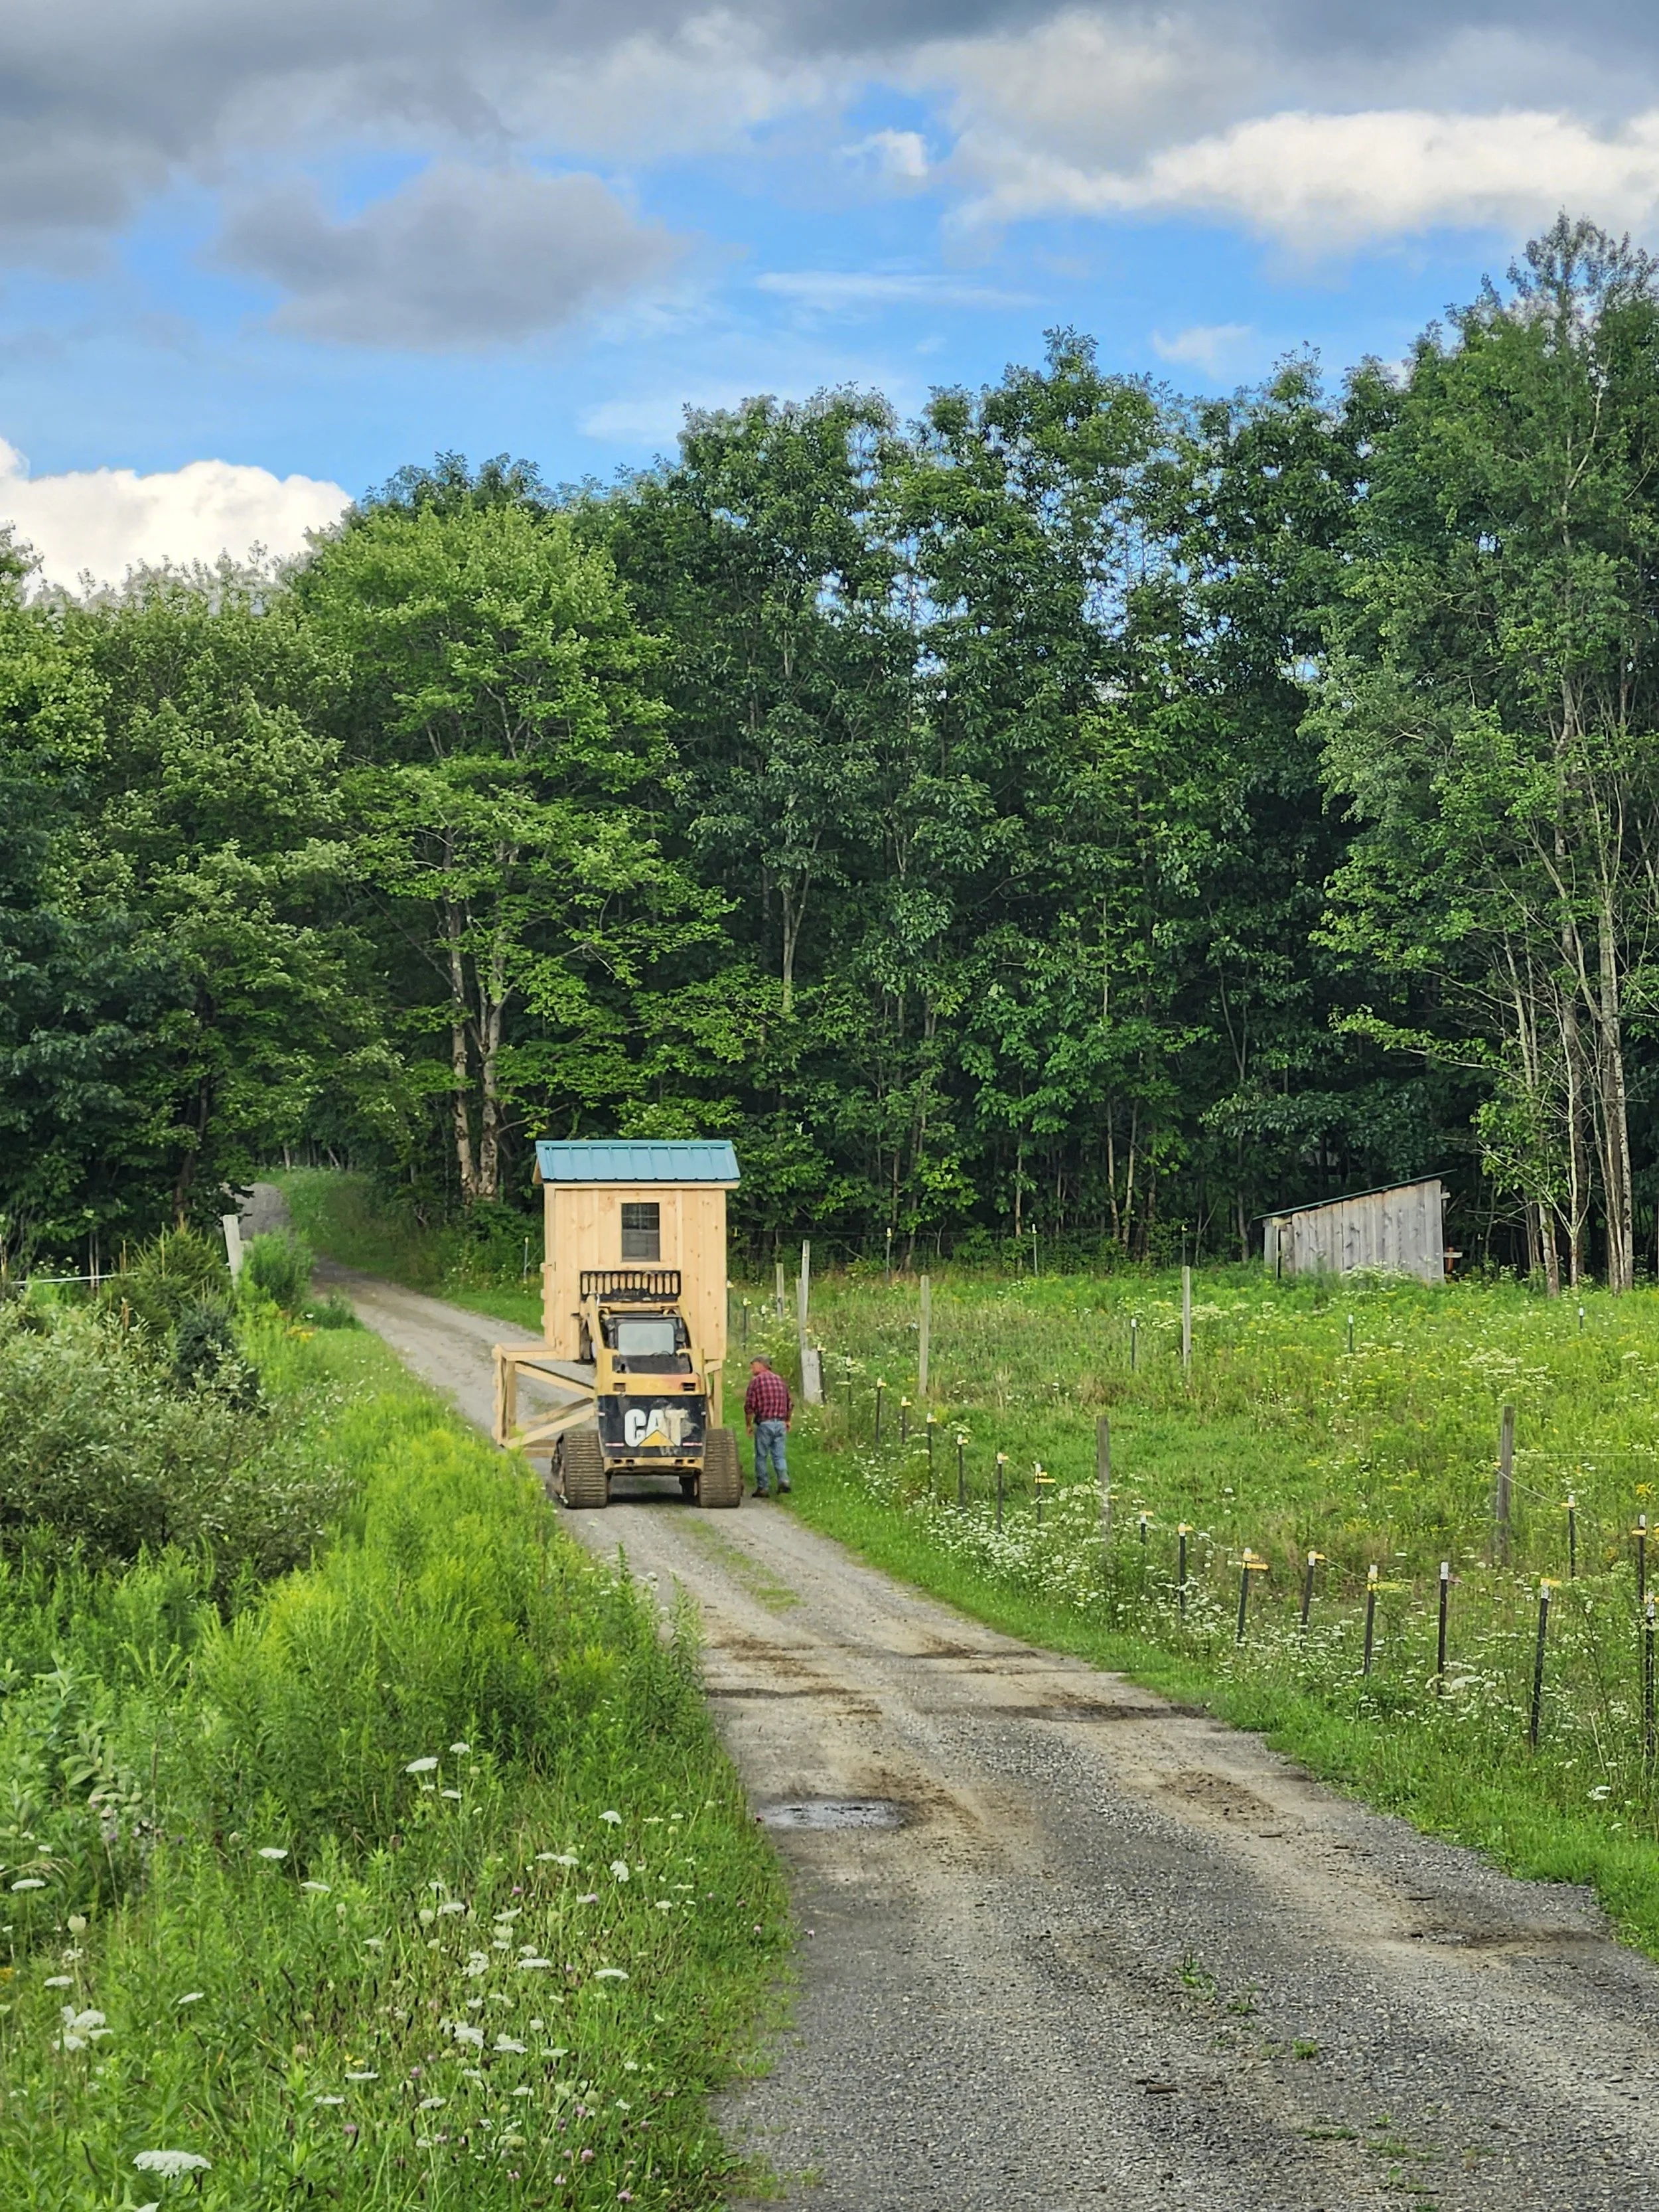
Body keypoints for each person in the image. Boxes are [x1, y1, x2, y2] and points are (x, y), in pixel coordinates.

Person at [743, 1355, 792, 1497]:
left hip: (765, 1424)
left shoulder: (756, 1382)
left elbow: (749, 1406)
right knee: (779, 1455)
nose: (752, 1368)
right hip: (781, 1423)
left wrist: (748, 1425)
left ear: (761, 1365)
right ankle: (784, 1480)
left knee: (761, 1456)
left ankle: (763, 1487)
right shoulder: (780, 1381)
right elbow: (790, 1404)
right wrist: (788, 1420)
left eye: (753, 1365)